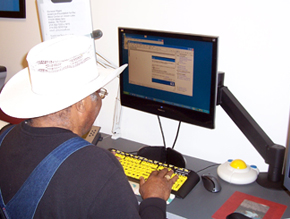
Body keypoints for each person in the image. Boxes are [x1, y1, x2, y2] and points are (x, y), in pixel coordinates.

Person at [0, 35, 178, 218]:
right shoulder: (97, 168)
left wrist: (96, 166)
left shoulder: (5, 136)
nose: (100, 100)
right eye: (99, 93)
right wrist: (154, 199)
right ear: (81, 104)